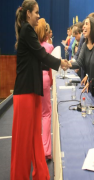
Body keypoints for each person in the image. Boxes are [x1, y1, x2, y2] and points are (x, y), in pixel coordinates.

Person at [11, 0, 68, 179]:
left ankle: (41, 174)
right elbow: (42, 54)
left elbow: (40, 56)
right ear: (28, 13)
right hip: (25, 92)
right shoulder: (27, 29)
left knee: (35, 137)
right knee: (23, 141)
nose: (38, 16)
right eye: (36, 12)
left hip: (32, 91)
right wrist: (60, 63)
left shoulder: (28, 31)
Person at [69, 16, 94, 111]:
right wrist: (67, 65)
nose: (83, 27)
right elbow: (79, 63)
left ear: (92, 27)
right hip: (90, 88)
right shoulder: (85, 46)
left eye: (86, 24)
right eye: (83, 25)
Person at [34, 18, 54, 160]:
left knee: (36, 113)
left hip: (34, 79)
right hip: (45, 78)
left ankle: (35, 148)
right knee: (46, 114)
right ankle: (46, 150)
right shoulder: (49, 47)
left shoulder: (33, 46)